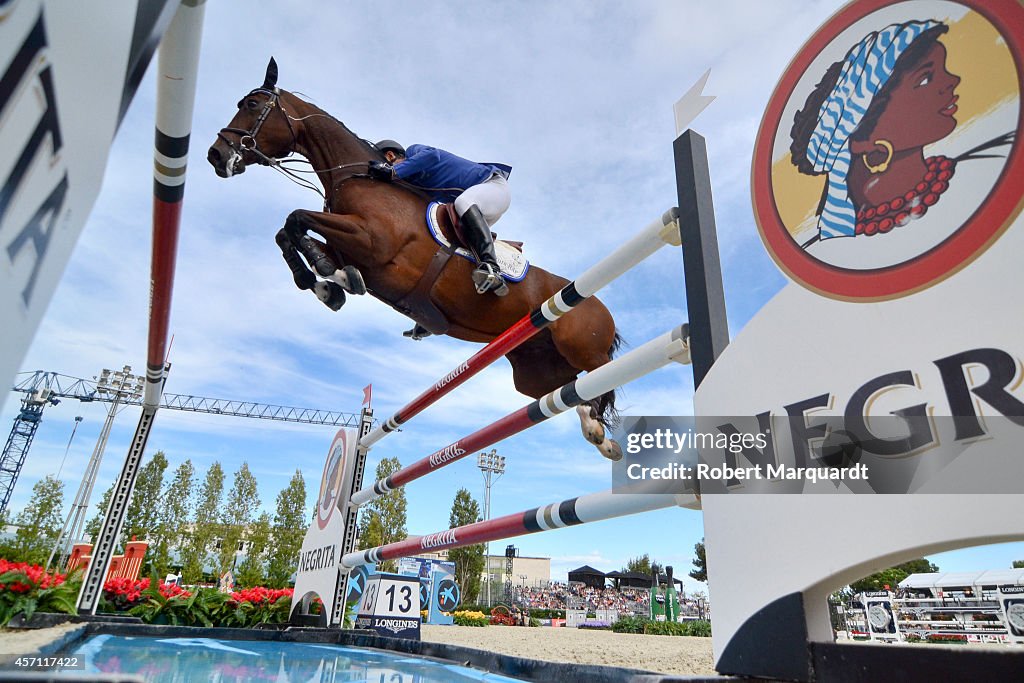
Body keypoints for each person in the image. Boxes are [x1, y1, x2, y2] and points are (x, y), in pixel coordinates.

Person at [368, 140, 512, 296]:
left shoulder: (414, 151)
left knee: (463, 202)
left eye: (387, 165)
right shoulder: (415, 183)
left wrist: (392, 172)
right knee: (453, 245)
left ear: (390, 156)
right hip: (477, 208)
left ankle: (492, 267)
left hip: (494, 186)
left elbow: (432, 155)